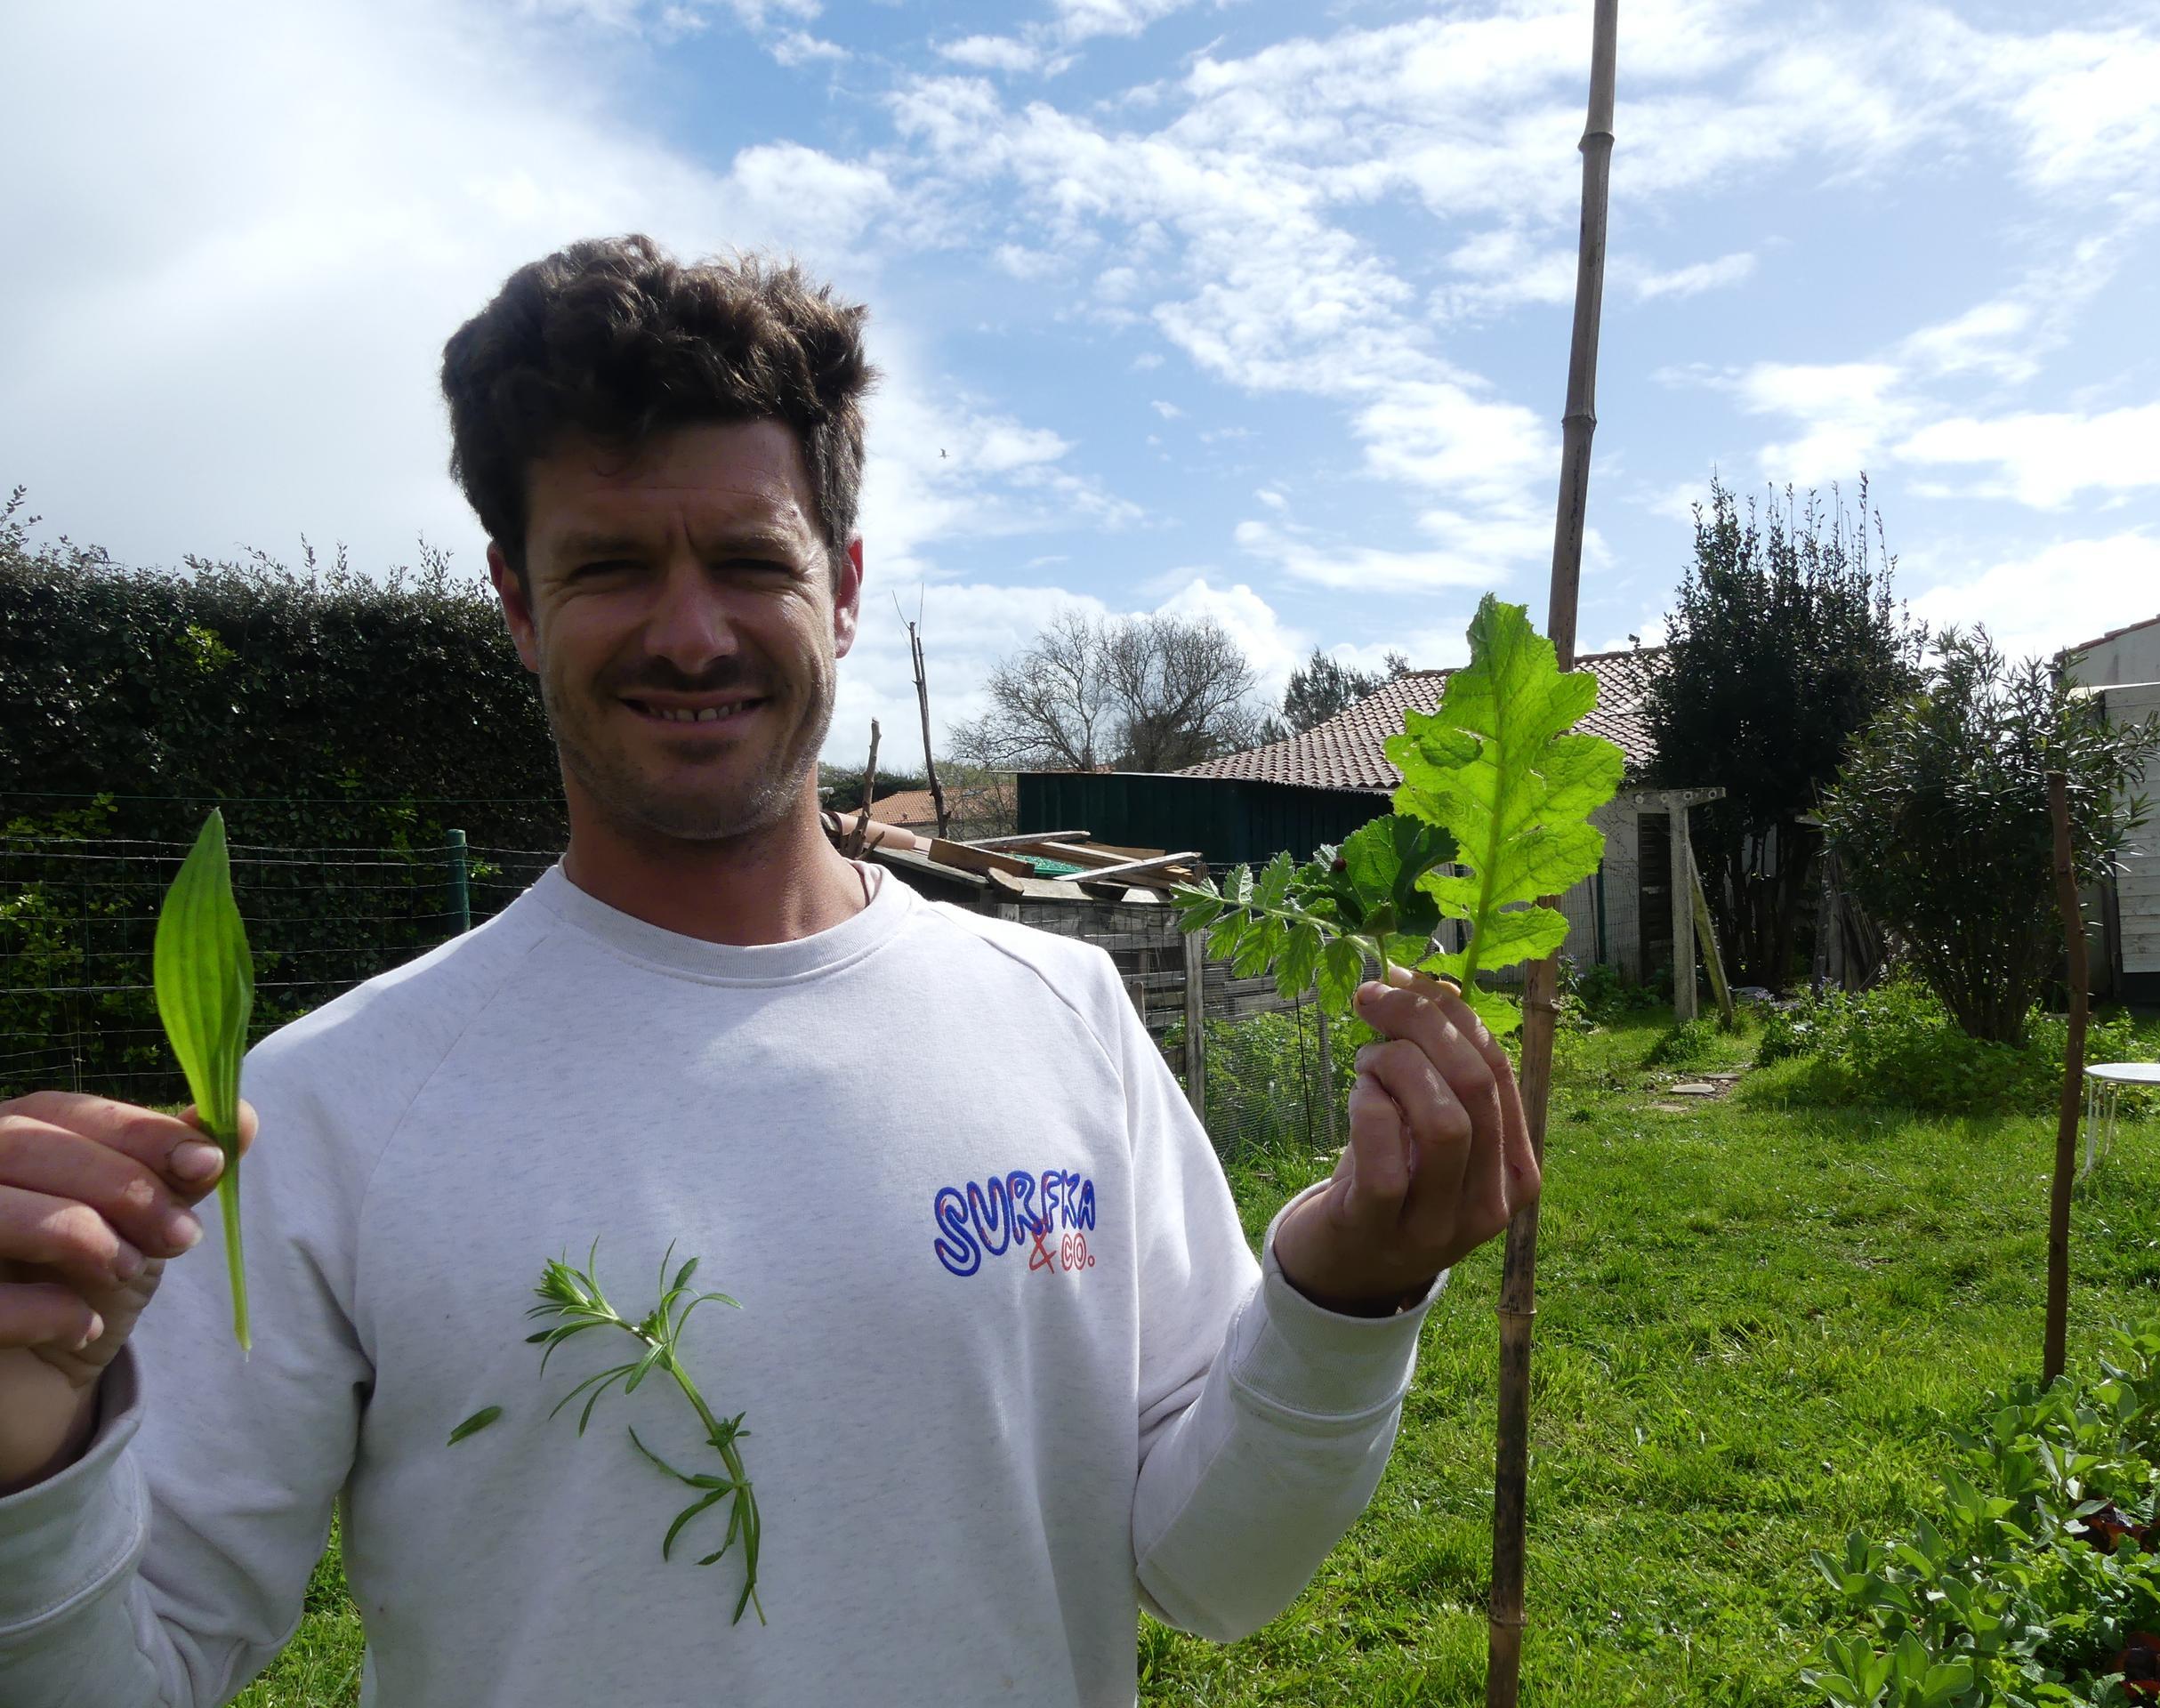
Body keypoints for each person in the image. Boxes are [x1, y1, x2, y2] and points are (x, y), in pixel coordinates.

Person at [0, 235, 1537, 1706]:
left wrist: (1350, 1283)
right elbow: (140, 1667)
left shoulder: (1063, 1020)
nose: (688, 633)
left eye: (749, 559)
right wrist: (23, 1453)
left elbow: (1215, 1571)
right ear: (518, 606)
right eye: (608, 567)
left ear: (845, 587)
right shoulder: (333, 1107)